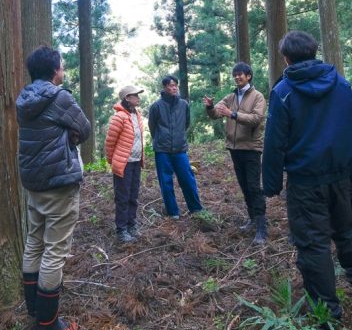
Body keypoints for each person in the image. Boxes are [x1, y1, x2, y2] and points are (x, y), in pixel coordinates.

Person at [262, 31, 352, 321]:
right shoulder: (341, 84)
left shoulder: (283, 91)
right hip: (339, 176)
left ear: (286, 58)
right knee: (345, 229)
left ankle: (327, 310)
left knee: (313, 244)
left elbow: (274, 140)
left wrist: (271, 183)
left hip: (305, 182)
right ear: (314, 52)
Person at [17, 45, 92, 330]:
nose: (63, 70)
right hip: (59, 182)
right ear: (53, 70)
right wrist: (70, 135)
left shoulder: (23, 99)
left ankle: (35, 309)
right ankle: (47, 325)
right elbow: (84, 128)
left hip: (34, 182)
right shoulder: (60, 97)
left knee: (34, 242)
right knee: (54, 252)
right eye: (60, 66)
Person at [203, 62, 268, 243]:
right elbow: (216, 113)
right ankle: (252, 218)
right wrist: (210, 107)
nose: (237, 77)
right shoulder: (231, 96)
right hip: (235, 148)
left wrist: (232, 114)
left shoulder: (257, 96)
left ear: (249, 76)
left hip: (251, 148)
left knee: (254, 187)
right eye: (235, 74)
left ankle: (262, 227)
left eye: (241, 74)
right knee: (245, 186)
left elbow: (256, 119)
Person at [147, 75, 203, 219]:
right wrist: (161, 139)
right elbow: (152, 127)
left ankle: (196, 209)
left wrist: (178, 137)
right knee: (165, 182)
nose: (174, 88)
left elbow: (186, 123)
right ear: (164, 87)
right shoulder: (156, 106)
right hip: (162, 150)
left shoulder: (183, 104)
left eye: (175, 85)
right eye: (171, 85)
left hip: (180, 149)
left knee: (187, 178)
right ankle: (173, 212)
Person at [105, 85, 146, 243]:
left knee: (133, 196)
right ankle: (121, 229)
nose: (138, 98)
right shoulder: (119, 117)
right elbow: (110, 143)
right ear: (127, 98)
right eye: (135, 95)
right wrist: (113, 162)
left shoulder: (137, 115)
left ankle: (131, 225)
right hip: (124, 164)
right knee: (122, 197)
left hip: (136, 162)